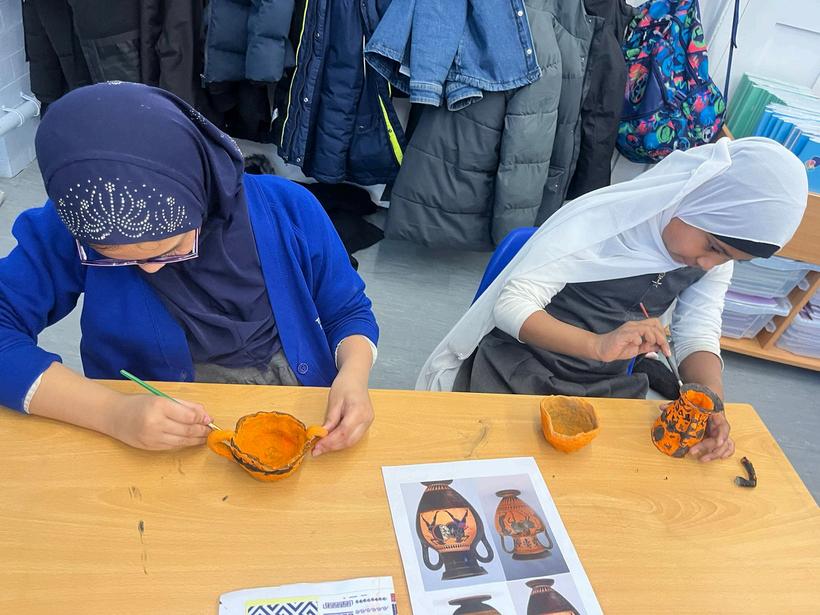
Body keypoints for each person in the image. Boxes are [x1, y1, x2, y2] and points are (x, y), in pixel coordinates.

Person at [0, 82, 379, 456]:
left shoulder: (289, 209)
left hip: (299, 398)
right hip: (160, 422)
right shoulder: (80, 220)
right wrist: (113, 413)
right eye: (115, 258)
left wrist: (353, 375)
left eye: (171, 249)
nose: (149, 270)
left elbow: (346, 311)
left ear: (202, 191)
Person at [418, 137, 808, 463]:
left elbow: (697, 334)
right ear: (693, 199)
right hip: (519, 365)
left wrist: (711, 401)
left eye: (728, 258)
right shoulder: (603, 222)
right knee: (487, 463)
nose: (710, 263)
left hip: (605, 386)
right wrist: (597, 345)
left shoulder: (711, 258)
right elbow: (511, 305)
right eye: (713, 247)